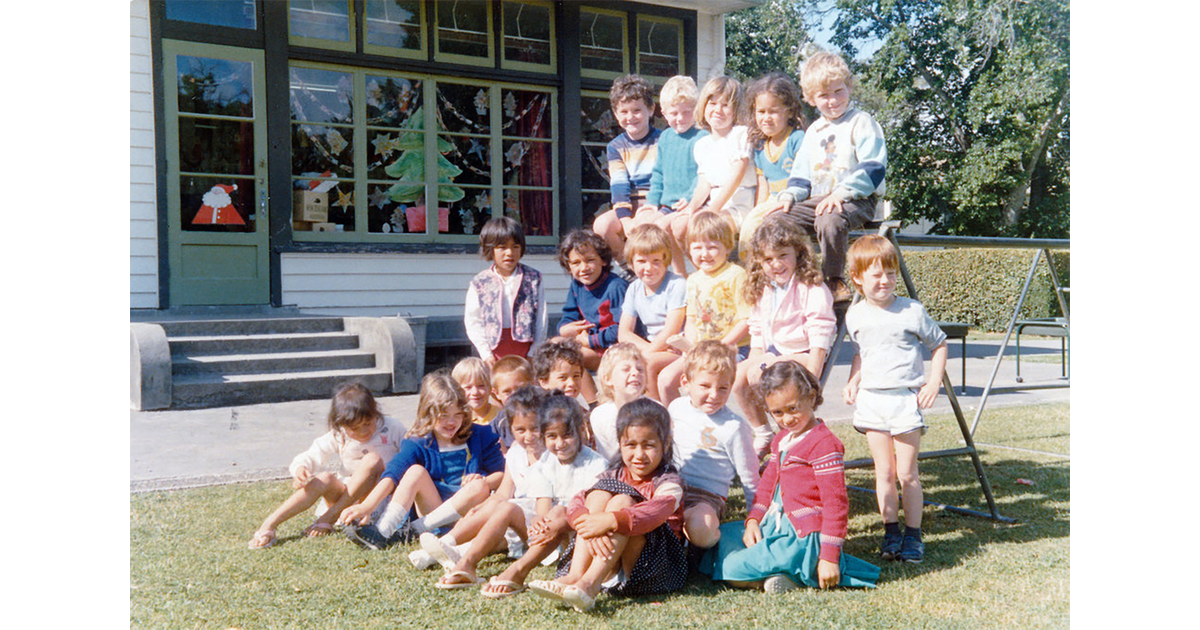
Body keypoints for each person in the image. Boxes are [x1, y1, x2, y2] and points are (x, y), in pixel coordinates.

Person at [708, 361, 880, 591]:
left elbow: (835, 504)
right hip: (776, 525)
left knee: (733, 568)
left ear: (810, 396)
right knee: (724, 536)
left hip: (802, 535)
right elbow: (768, 485)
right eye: (777, 413)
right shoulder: (782, 439)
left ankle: (790, 576)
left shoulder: (824, 445)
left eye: (793, 408)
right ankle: (779, 570)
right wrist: (753, 520)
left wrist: (828, 557)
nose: (786, 419)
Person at [842, 234, 947, 564]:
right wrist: (853, 380)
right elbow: (863, 353)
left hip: (905, 401)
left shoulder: (912, 311)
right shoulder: (855, 315)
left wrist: (933, 382)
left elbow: (939, 345)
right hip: (872, 401)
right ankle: (891, 532)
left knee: (907, 473)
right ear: (858, 278)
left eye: (890, 272)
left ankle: (913, 536)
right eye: (876, 274)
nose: (885, 281)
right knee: (884, 473)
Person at [528, 398, 688, 612]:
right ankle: (576, 575)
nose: (639, 455)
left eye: (649, 446)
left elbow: (657, 512)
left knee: (622, 501)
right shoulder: (614, 474)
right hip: (613, 558)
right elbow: (578, 501)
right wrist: (591, 522)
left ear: (665, 444)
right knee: (598, 493)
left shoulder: (668, 481)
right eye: (630, 445)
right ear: (620, 443)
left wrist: (611, 520)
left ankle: (589, 584)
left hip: (652, 568)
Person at [338, 371, 505, 550]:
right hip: (433, 512)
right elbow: (393, 473)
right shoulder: (418, 442)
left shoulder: (481, 435)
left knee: (478, 486)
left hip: (469, 512)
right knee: (415, 472)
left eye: (457, 414)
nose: (451, 422)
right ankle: (382, 531)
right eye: (443, 416)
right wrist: (367, 506)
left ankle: (413, 531)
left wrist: (484, 480)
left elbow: (503, 474)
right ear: (428, 414)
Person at [779, 50, 887, 303]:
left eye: (839, 91)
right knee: (777, 220)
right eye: (824, 95)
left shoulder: (862, 122)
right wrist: (788, 195)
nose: (833, 100)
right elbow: (801, 176)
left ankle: (834, 280)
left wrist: (841, 193)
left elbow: (873, 168)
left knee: (830, 218)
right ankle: (794, 279)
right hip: (818, 199)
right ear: (811, 99)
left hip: (856, 199)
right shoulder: (814, 131)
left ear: (849, 86)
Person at [248, 382, 407, 549]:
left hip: (376, 499)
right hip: (345, 498)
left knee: (372, 460)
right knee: (324, 478)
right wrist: (301, 468)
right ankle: (270, 524)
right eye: (354, 428)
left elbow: (411, 451)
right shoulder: (340, 435)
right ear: (340, 425)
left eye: (367, 424)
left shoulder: (392, 427)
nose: (363, 432)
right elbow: (314, 453)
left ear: (375, 412)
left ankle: (329, 518)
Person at [422, 386, 551, 589]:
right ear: (511, 429)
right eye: (520, 430)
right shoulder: (516, 452)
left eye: (535, 428)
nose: (529, 436)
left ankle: (466, 563)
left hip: (542, 529)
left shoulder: (552, 455)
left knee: (505, 509)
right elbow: (503, 492)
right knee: (492, 508)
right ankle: (447, 546)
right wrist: (480, 508)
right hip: (518, 523)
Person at [483, 393, 608, 598]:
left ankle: (518, 571)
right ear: (544, 436)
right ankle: (466, 562)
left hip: (581, 540)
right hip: (548, 536)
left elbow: (591, 512)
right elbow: (543, 504)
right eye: (552, 436)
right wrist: (543, 521)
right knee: (542, 511)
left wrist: (556, 521)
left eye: (567, 435)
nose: (560, 443)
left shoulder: (596, 464)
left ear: (581, 431)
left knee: (561, 511)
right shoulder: (546, 462)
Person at [732, 215, 837, 457]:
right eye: (768, 259)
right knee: (739, 377)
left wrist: (814, 375)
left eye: (783, 256)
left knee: (760, 374)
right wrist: (756, 358)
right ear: (759, 262)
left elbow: (820, 331)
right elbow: (757, 328)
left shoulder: (810, 287)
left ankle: (788, 435)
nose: (776, 264)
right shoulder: (765, 288)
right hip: (775, 352)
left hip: (805, 353)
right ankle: (763, 431)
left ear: (798, 253)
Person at [668, 341, 760, 553]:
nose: (714, 395)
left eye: (723, 388)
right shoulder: (677, 408)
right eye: (705, 386)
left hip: (706, 497)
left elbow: (750, 477)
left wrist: (754, 518)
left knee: (702, 531)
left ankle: (725, 539)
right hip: (671, 486)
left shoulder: (734, 427)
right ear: (686, 382)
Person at [657, 211, 751, 404]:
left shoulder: (735, 275)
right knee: (666, 380)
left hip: (734, 348)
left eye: (712, 247)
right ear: (689, 250)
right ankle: (675, 427)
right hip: (701, 350)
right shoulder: (693, 280)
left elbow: (746, 321)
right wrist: (690, 347)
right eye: (697, 248)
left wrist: (721, 346)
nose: (704, 254)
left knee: (706, 381)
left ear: (727, 248)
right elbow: (692, 320)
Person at [669, 76, 755, 251]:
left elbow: (737, 175)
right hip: (713, 205)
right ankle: (690, 275)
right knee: (678, 226)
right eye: (713, 103)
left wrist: (713, 210)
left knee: (708, 230)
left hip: (738, 205)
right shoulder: (703, 144)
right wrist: (692, 208)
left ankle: (720, 274)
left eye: (725, 105)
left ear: (736, 109)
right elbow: (704, 184)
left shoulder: (740, 135)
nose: (718, 110)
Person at [555, 228, 630, 406]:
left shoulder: (616, 286)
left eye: (590, 260)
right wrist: (565, 329)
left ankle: (595, 404)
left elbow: (623, 329)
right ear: (569, 265)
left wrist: (591, 341)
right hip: (592, 347)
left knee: (572, 355)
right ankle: (567, 402)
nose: (583, 268)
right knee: (555, 346)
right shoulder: (577, 286)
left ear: (603, 260)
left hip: (616, 350)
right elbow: (568, 317)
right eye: (576, 263)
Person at [591, 74, 662, 261]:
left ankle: (651, 268)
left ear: (651, 109)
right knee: (602, 226)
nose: (630, 117)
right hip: (628, 205)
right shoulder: (615, 146)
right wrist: (625, 219)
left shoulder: (664, 140)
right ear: (615, 113)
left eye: (637, 110)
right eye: (624, 112)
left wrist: (648, 210)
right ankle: (630, 269)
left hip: (656, 203)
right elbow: (619, 185)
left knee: (641, 225)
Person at [738, 73, 807, 257]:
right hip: (771, 201)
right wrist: (756, 211)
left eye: (773, 111)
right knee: (751, 225)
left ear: (790, 111)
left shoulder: (796, 139)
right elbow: (764, 185)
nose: (766, 118)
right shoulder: (760, 146)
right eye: (761, 112)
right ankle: (752, 268)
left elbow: (806, 177)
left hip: (794, 201)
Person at [645, 75, 707, 275]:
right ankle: (681, 275)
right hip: (667, 205)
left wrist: (689, 199)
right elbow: (658, 171)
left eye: (686, 112)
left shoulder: (702, 136)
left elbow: (703, 173)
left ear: (696, 110)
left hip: (693, 204)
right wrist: (652, 200)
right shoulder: (665, 137)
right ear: (663, 113)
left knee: (675, 228)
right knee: (656, 229)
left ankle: (704, 272)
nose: (680, 118)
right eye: (674, 113)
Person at [617, 224, 687, 402]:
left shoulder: (676, 285)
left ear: (666, 260)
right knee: (617, 361)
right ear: (631, 263)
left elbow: (672, 329)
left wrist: (647, 353)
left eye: (656, 261)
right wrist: (647, 350)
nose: (649, 268)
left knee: (645, 365)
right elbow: (624, 333)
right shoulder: (634, 288)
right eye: (642, 261)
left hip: (678, 348)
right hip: (653, 348)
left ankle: (660, 416)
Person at [464, 216, 548, 365]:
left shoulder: (533, 279)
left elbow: (541, 317)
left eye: (515, 246)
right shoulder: (480, 283)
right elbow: (473, 321)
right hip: (494, 350)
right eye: (502, 247)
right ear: (490, 249)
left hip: (525, 349)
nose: (509, 253)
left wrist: (533, 352)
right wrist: (486, 354)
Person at [588, 342, 649, 462]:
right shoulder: (601, 415)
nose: (635, 373)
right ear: (608, 379)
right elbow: (611, 459)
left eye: (640, 369)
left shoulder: (657, 410)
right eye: (626, 369)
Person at [488, 355, 534, 451]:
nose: (514, 396)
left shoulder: (544, 416)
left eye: (520, 389)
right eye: (507, 391)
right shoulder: (499, 423)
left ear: (532, 384)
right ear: (497, 394)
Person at [452, 357, 499, 427]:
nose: (475, 392)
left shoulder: (501, 417)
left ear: (490, 387)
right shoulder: (455, 419)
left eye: (481, 386)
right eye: (468, 387)